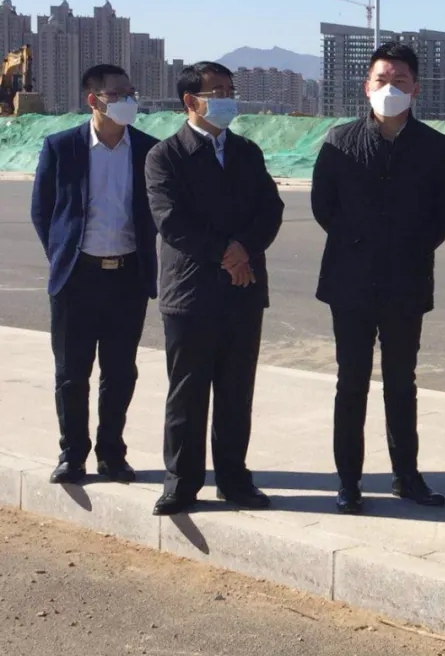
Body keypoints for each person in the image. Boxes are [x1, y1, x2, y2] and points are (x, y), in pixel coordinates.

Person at [311, 42, 445, 515]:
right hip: (350, 281)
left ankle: (407, 476)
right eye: (382, 79)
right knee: (350, 382)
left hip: (406, 280)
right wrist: (362, 242)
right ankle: (349, 481)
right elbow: (323, 206)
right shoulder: (338, 141)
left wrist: (410, 246)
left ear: (416, 88)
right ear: (367, 86)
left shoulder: (435, 147)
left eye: (400, 80)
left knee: (401, 382)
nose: (390, 88)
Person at [145, 61, 284, 516]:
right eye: (217, 91)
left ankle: (234, 479)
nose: (227, 98)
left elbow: (270, 209)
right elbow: (171, 221)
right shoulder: (165, 156)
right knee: (187, 393)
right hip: (191, 292)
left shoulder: (247, 151)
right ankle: (181, 483)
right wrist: (227, 253)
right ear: (191, 101)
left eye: (229, 90)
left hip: (244, 290)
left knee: (236, 392)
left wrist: (245, 249)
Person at [30, 64, 158, 485]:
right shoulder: (62, 147)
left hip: (127, 276)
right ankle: (72, 454)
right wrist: (63, 256)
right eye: (117, 94)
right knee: (71, 373)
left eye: (130, 93)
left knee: (120, 372)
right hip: (76, 278)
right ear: (93, 100)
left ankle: (112, 453)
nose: (127, 101)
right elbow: (42, 210)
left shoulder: (148, 150)